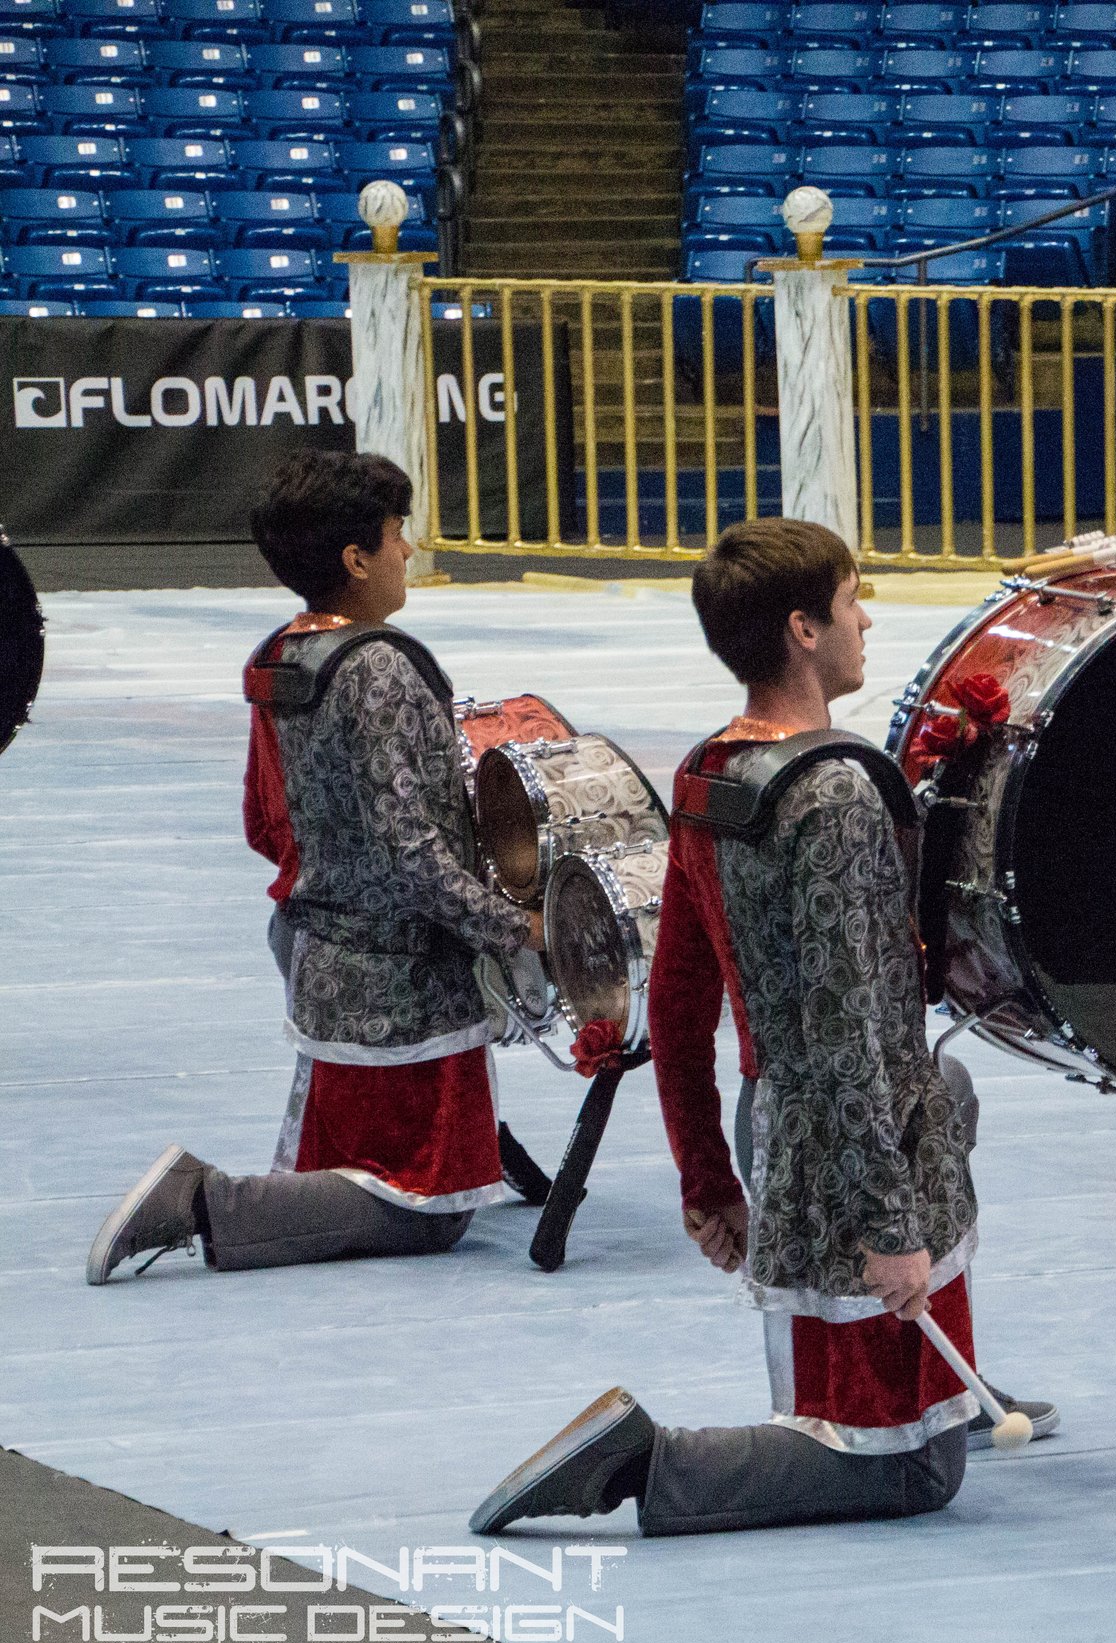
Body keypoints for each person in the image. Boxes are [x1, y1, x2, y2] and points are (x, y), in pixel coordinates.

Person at [471, 518, 1053, 1538]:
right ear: (800, 628)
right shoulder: (832, 795)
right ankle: (647, 1459)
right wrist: (887, 1224)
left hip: (779, 1122)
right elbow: (845, 1030)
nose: (864, 618)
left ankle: (942, 1388)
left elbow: (680, 1002)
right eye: (849, 600)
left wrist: (708, 1179)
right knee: (913, 1474)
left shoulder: (710, 772)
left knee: (904, 1420)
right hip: (855, 1142)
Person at [87, 451, 542, 1285]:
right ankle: (202, 1202)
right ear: (356, 558)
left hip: (322, 954)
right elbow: (415, 855)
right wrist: (521, 927)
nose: (408, 552)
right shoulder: (382, 667)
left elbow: (267, 820)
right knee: (424, 1211)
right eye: (397, 534)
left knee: (372, 1177)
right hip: (405, 984)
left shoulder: (281, 656)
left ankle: (220, 1201)